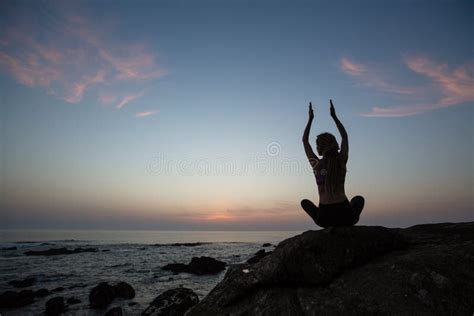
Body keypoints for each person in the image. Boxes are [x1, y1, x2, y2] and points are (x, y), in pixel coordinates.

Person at [301, 99, 364, 228]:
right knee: (358, 199)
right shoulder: (342, 160)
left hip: (325, 218)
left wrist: (310, 119)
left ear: (321, 147)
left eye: (317, 144)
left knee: (304, 202)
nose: (316, 147)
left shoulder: (317, 165)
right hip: (346, 215)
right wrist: (334, 117)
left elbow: (305, 141)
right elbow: (345, 137)